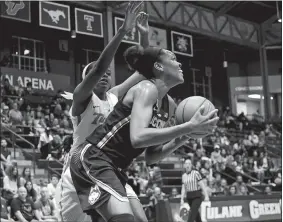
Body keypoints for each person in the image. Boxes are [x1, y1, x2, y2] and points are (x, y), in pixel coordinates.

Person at [70, 42, 218, 221]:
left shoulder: (169, 106)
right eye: (173, 59)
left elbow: (151, 156)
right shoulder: (146, 89)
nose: (179, 64)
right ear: (158, 66)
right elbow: (138, 138)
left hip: (115, 166)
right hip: (94, 156)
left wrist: (185, 135)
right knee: (124, 219)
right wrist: (187, 127)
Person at [55, 2, 149, 222]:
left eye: (109, 72)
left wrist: (143, 37)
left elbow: (144, 71)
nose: (105, 74)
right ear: (88, 79)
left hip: (107, 165)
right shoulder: (81, 98)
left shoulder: (115, 96)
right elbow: (97, 69)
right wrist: (123, 31)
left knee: (138, 219)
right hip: (81, 166)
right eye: (100, 73)